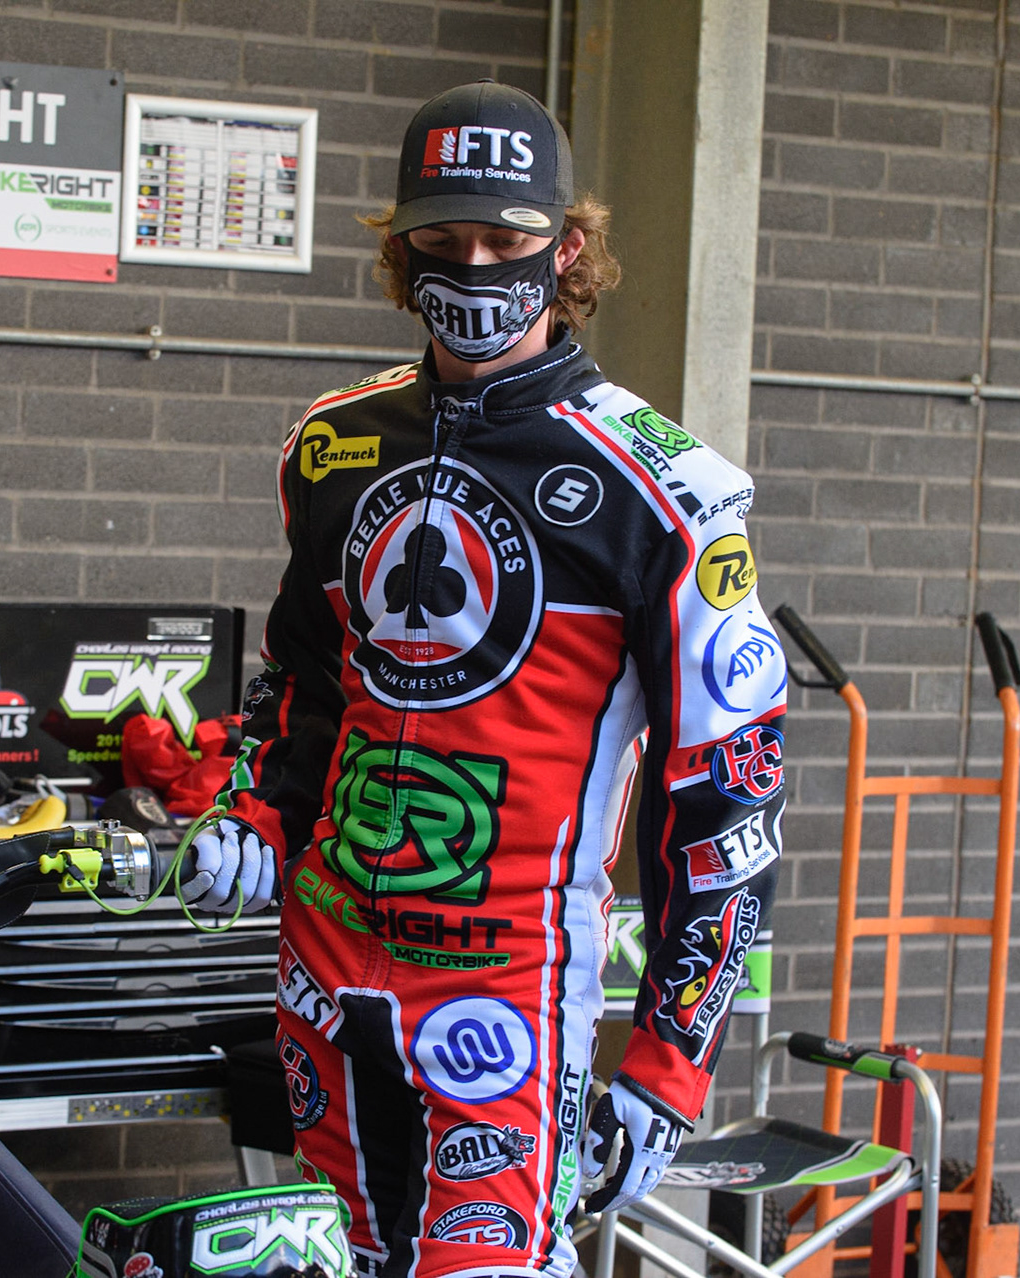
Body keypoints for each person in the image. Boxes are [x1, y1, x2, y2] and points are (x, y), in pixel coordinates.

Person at [182, 80, 787, 1278]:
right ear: (399, 246)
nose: (472, 264)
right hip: (324, 961)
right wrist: (250, 801)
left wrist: (669, 1063)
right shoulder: (334, 443)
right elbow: (302, 678)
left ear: (567, 248)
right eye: (441, 238)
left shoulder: (664, 488)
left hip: (507, 989)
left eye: (505, 239)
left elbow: (728, 795)